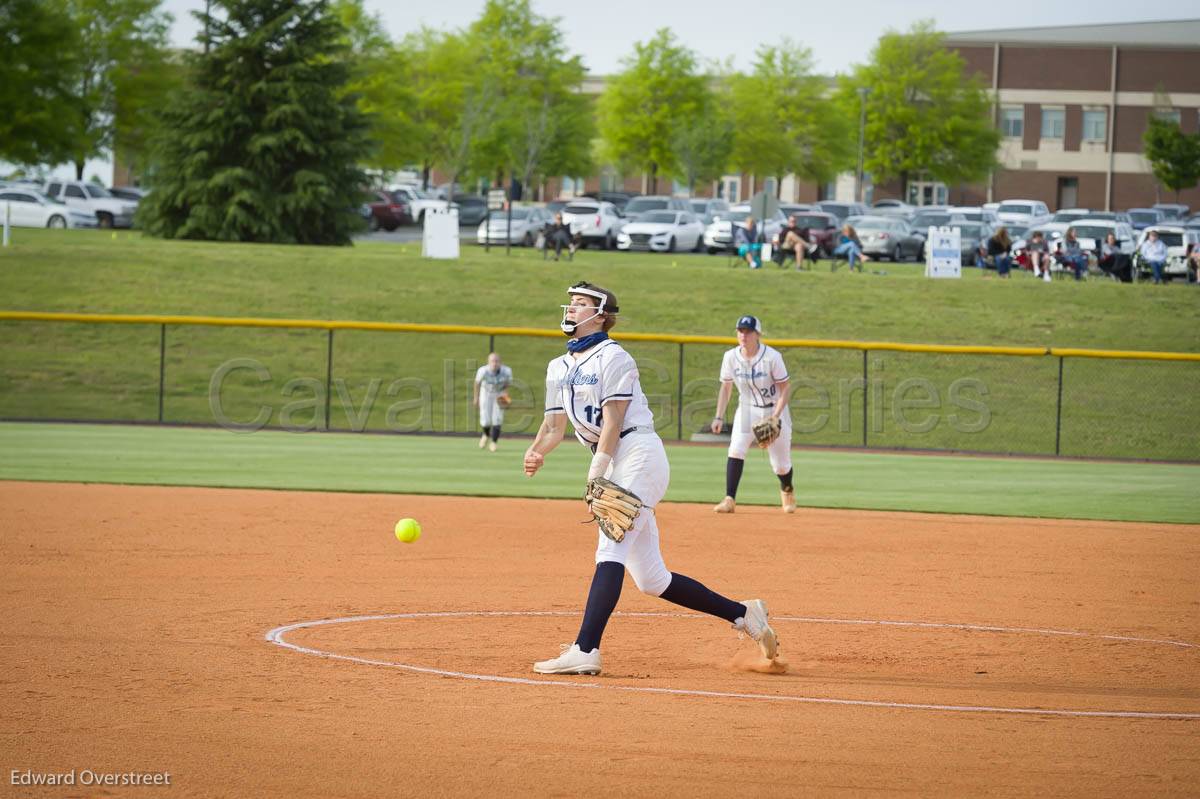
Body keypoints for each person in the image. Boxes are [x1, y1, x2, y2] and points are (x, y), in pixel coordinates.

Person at [524, 282, 779, 675]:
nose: (572, 309)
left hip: (638, 454)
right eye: (571, 303)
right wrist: (537, 450)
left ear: (601, 314)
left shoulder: (615, 357)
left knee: (609, 549)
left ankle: (586, 648)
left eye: (581, 304)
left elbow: (613, 421)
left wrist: (597, 471)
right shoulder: (558, 367)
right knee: (652, 579)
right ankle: (745, 615)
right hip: (613, 461)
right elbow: (554, 425)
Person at [710, 315, 794, 514]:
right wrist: (719, 416)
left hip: (775, 409)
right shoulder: (730, 357)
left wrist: (775, 416)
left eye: (748, 331)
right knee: (736, 450)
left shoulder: (772, 357)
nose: (743, 335)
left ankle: (787, 490)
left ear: (758, 334)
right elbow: (726, 387)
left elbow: (785, 388)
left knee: (780, 465)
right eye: (740, 330)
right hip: (748, 409)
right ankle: (729, 498)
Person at [473, 352, 512, 452]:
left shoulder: (507, 371)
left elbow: (507, 383)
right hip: (486, 394)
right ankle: (486, 435)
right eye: (492, 361)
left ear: (500, 362)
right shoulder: (483, 370)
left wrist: (506, 395)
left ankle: (494, 442)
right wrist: (476, 398)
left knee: (497, 419)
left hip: (499, 394)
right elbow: (477, 383)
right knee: (485, 420)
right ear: (488, 362)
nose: (495, 363)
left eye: (497, 361)